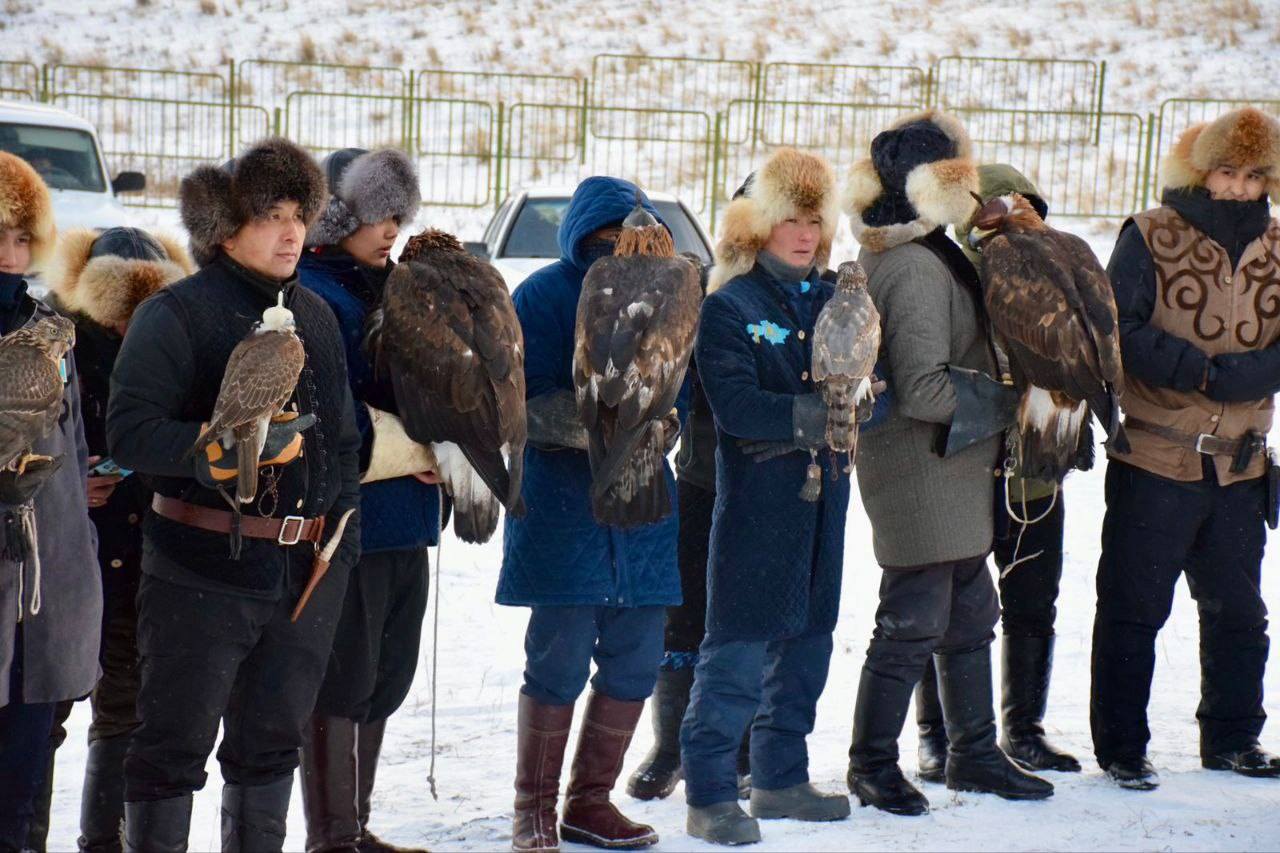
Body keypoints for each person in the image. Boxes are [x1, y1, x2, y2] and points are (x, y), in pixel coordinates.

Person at [107, 137, 363, 852]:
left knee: (269, 753)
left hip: (303, 580)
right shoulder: (177, 314)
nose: (291, 232)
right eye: (271, 215)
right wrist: (213, 452)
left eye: (299, 214)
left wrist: (339, 549)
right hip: (199, 571)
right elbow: (128, 432)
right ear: (225, 227)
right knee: (170, 754)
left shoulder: (314, 316)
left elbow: (343, 442)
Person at [842, 111, 1053, 816]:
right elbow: (926, 387)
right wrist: (1014, 402)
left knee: (970, 614)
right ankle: (871, 764)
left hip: (953, 471)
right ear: (934, 185)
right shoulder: (908, 265)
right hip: (920, 473)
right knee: (910, 623)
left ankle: (973, 753)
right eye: (959, 178)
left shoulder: (924, 248)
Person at [1092, 107, 1280, 790]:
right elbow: (1118, 326)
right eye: (1227, 171)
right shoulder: (1150, 234)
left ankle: (1233, 736)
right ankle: (1121, 747)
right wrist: (1195, 369)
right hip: (1155, 456)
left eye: (1253, 174)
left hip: (1241, 463)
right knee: (1134, 605)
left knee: (1240, 609)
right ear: (1201, 172)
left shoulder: (1277, 244)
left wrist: (1259, 373)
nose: (1238, 187)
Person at [500, 176, 686, 853]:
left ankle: (589, 802)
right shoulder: (544, 296)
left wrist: (660, 427)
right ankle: (535, 809)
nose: (621, 248)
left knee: (637, 660)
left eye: (630, 236)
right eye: (607, 238)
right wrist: (596, 425)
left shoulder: (670, 288)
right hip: (562, 507)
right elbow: (517, 401)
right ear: (582, 237)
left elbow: (680, 394)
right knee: (557, 659)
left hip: (642, 509)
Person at [679, 147, 853, 846]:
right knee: (737, 653)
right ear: (759, 226)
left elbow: (874, 384)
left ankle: (781, 779)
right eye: (790, 220)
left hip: (827, 501)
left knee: (808, 647)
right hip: (757, 501)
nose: (804, 234)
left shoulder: (844, 299)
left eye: (814, 220)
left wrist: (863, 403)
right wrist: (812, 415)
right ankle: (711, 793)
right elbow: (736, 406)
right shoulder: (729, 305)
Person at [912, 164, 1081, 784]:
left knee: (1035, 600)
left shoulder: (1054, 277)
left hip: (1035, 467)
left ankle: (1024, 731)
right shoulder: (948, 280)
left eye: (1024, 208)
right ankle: (938, 737)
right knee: (946, 608)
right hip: (962, 465)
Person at [296, 146, 439, 853]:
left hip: (408, 521)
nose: (392, 229)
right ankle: (333, 837)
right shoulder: (317, 294)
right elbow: (329, 412)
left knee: (387, 675)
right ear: (339, 215)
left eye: (400, 216)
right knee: (342, 678)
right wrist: (419, 448)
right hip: (345, 522)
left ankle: (355, 823)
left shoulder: (406, 287)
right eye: (380, 214)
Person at [38, 226, 194, 853]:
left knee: (125, 707)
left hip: (142, 551)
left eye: (145, 314)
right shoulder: (49, 338)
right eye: (119, 315)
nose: (132, 328)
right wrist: (69, 483)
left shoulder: (180, 338)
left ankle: (103, 841)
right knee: (39, 712)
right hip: (57, 558)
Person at [0, 150, 102, 853]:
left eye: (20, 236)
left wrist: (78, 576)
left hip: (46, 593)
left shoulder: (51, 331)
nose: (9, 253)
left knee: (21, 792)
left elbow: (72, 454)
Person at [625, 258, 753, 805]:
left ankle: (746, 747)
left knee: (754, 617)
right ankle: (670, 746)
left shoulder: (805, 292)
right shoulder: (702, 288)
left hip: (774, 485)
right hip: (702, 479)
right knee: (683, 616)